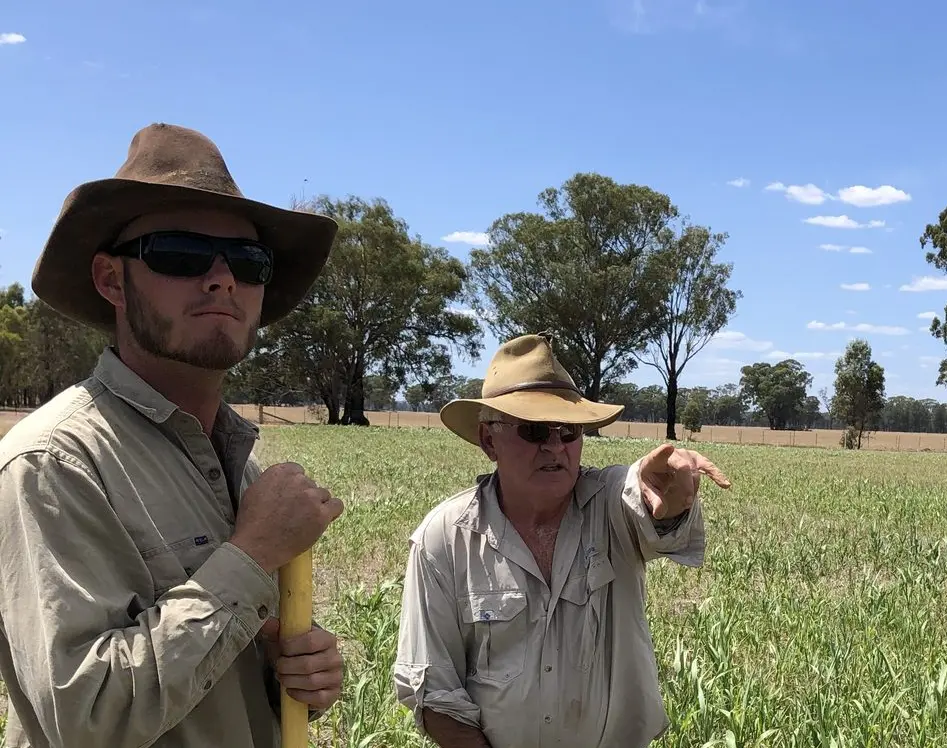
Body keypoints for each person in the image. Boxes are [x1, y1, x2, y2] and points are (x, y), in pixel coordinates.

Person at [0, 123, 348, 747]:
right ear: (111, 280)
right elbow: (85, 718)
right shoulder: (53, 463)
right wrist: (251, 557)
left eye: (248, 262)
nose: (222, 279)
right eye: (181, 254)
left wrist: (285, 676)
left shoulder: (238, 466)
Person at [393, 332, 732, 748]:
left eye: (569, 430)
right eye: (534, 430)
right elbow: (433, 692)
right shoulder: (444, 538)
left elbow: (639, 499)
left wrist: (668, 495)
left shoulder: (609, 506)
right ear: (488, 440)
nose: (555, 446)